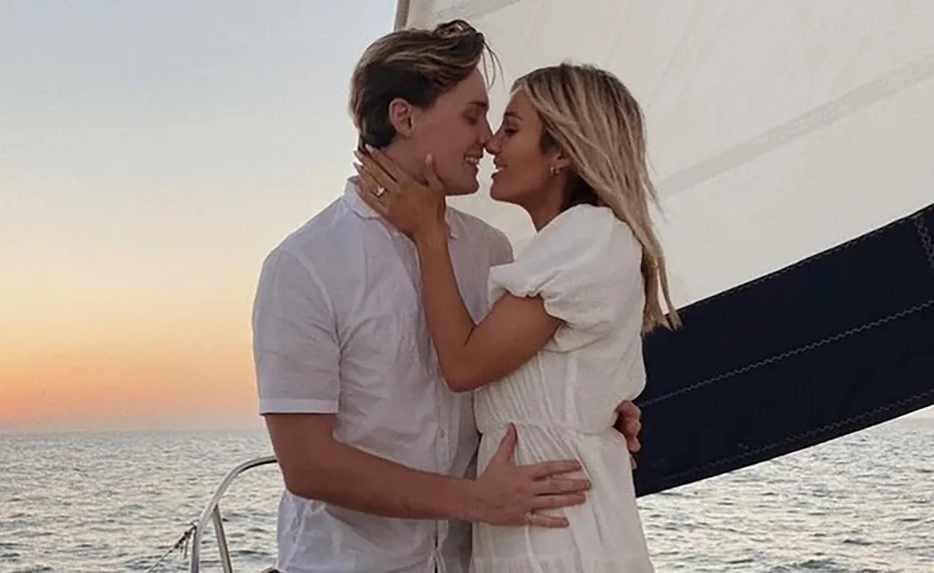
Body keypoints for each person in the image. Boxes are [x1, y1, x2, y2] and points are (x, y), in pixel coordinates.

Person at [253, 20, 644, 573]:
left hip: (476, 559)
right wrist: (477, 501)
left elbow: (510, 367)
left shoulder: (490, 250)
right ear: (404, 117)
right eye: (472, 115)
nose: (487, 139)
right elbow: (308, 466)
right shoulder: (303, 266)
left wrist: (597, 408)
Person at [354, 61, 680, 572]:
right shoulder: (566, 247)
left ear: (562, 153)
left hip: (557, 537)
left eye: (510, 129)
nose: (491, 145)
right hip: (543, 525)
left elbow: (463, 366)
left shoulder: (587, 238)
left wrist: (428, 232)